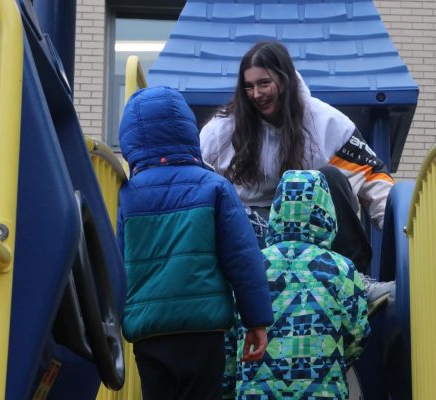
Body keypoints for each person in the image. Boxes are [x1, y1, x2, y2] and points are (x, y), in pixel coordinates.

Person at [200, 40, 394, 302]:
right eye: (249, 86)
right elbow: (199, 184)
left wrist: (404, 230)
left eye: (264, 83)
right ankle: (239, 294)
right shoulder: (221, 131)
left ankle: (354, 282)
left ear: (285, 80)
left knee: (331, 177)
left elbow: (372, 177)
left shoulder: (325, 123)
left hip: (312, 224)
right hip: (254, 229)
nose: (256, 94)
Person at [117, 86, 274, 400]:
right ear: (188, 130)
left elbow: (118, 262)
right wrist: (256, 319)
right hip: (203, 328)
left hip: (149, 329)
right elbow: (243, 258)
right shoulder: (214, 186)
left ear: (131, 138)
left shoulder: (127, 194)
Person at [231, 170, 372, 399]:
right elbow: (357, 332)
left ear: (277, 209)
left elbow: (231, 334)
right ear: (326, 211)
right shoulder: (341, 269)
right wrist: (332, 362)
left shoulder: (251, 266)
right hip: (322, 390)